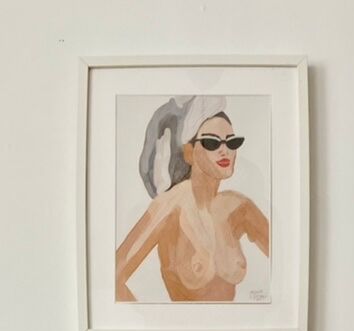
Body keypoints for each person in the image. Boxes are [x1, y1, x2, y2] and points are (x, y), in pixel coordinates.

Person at [115, 95, 269, 302]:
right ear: (188, 152)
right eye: (211, 143)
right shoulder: (169, 206)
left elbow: (291, 265)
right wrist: (148, 325)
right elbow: (114, 276)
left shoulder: (239, 207)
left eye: (232, 142)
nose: (225, 150)